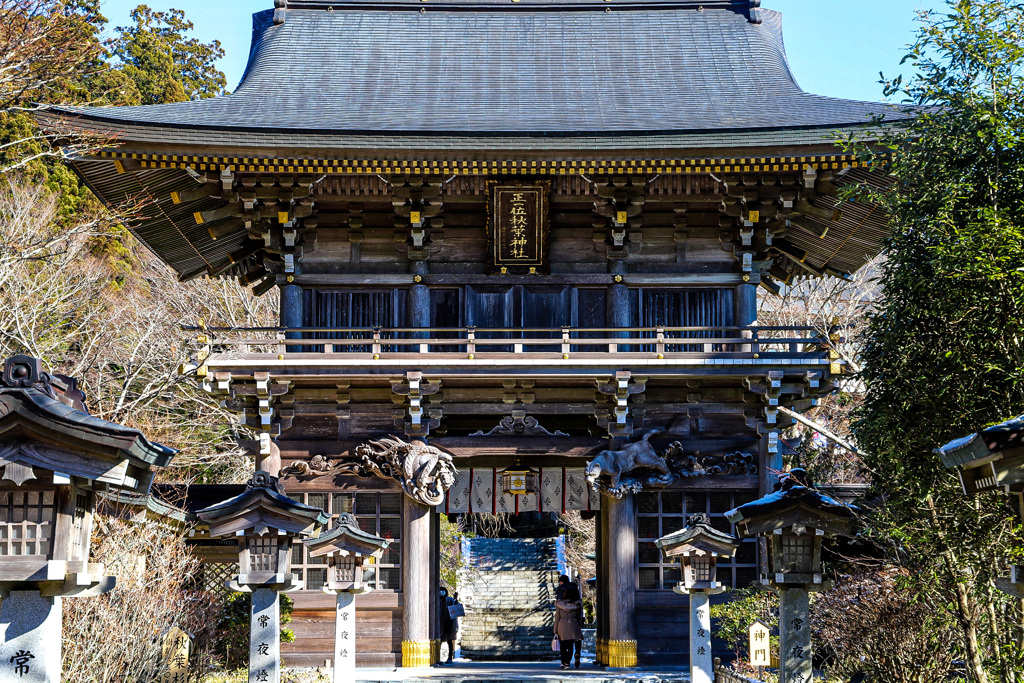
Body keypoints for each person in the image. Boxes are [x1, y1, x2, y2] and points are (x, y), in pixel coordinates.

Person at [553, 580, 583, 669]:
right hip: (573, 625)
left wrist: (555, 630)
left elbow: (557, 617)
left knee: (563, 645)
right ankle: (568, 662)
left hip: (562, 625)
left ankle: (563, 661)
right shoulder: (576, 605)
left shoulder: (560, 605)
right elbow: (578, 617)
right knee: (570, 645)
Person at [438, 587, 458, 665]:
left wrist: (455, 599)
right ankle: (437, 657)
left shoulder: (449, 600)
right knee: (438, 641)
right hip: (440, 623)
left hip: (449, 623)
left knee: (449, 641)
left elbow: (455, 606)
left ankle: (450, 657)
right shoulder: (437, 600)